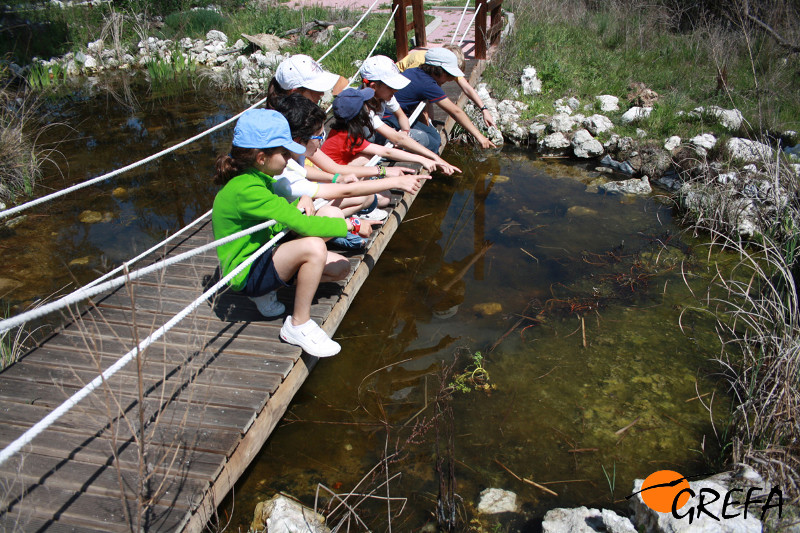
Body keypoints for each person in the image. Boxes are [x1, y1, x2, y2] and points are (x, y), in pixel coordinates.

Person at [211, 108, 379, 357]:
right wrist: (350, 226)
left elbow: (275, 221)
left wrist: (295, 206)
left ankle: (267, 292)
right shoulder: (247, 189)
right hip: (245, 273)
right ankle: (297, 324)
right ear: (260, 157)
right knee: (314, 247)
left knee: (339, 269)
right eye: (284, 153)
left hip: (261, 252)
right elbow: (304, 227)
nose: (290, 159)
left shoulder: (257, 178)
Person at [271, 93, 429, 249]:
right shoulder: (284, 175)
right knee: (338, 214)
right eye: (319, 137)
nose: (322, 141)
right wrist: (396, 180)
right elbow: (346, 190)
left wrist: (333, 180)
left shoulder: (292, 154)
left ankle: (334, 232)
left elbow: (305, 171)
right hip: (285, 233)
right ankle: (326, 239)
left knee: (367, 198)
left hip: (302, 208)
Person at [358, 55, 462, 176]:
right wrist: (435, 158)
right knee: (422, 139)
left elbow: (401, 116)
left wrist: (405, 132)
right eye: (391, 87)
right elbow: (398, 139)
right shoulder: (364, 109)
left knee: (428, 139)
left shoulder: (383, 96)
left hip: (377, 137)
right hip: (367, 143)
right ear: (373, 87)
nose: (395, 91)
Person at [385, 48, 496, 152]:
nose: (449, 80)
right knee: (433, 144)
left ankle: (402, 139)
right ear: (437, 70)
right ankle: (395, 141)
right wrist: (479, 136)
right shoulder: (427, 84)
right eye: (448, 75)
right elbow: (455, 112)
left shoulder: (416, 72)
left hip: (395, 115)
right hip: (388, 119)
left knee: (434, 137)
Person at [321, 87, 445, 171]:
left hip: (332, 168)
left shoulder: (341, 130)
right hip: (333, 174)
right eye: (366, 103)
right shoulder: (348, 137)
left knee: (368, 156)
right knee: (383, 196)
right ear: (360, 113)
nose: (369, 105)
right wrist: (422, 159)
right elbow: (387, 152)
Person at [396, 44, 497, 129]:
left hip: (423, 84)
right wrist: (427, 125)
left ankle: (429, 125)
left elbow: (467, 88)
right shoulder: (423, 63)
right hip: (399, 83)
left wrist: (484, 109)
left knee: (429, 99)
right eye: (450, 75)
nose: (451, 78)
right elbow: (420, 92)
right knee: (424, 102)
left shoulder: (445, 66)